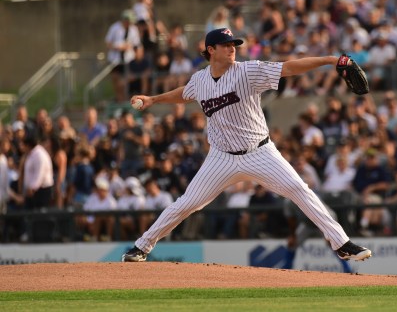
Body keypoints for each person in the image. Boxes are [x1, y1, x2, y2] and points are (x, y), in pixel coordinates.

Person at [122, 28, 372, 262]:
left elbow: (288, 68)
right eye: (226, 45)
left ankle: (342, 244)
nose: (232, 48)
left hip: (260, 152)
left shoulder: (248, 71)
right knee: (187, 203)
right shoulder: (200, 80)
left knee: (298, 188)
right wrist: (153, 99)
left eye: (234, 44)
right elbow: (185, 93)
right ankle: (142, 246)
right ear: (211, 50)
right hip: (221, 157)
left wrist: (329, 60)